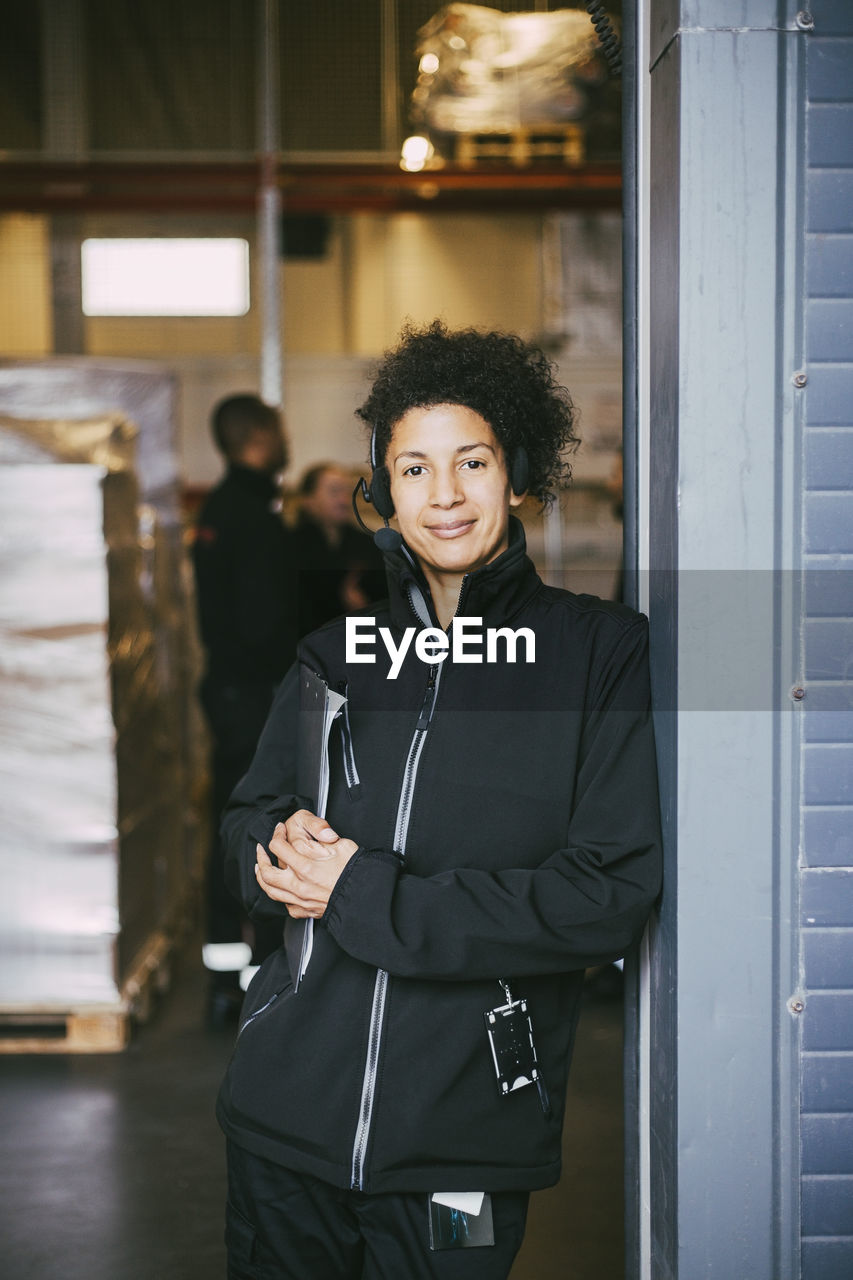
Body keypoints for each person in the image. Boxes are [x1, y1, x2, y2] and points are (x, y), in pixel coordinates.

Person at [216, 323, 662, 1278]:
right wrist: (269, 851)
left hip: (462, 1138)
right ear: (383, 491)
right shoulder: (333, 656)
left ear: (519, 475)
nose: (445, 495)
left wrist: (364, 895)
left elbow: (607, 892)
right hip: (282, 1118)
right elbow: (247, 820)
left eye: (471, 462)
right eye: (412, 470)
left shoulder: (601, 655)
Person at [192, 393, 296, 1026]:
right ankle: (247, 982)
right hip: (253, 697)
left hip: (232, 692)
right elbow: (262, 624)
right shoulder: (252, 517)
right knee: (253, 830)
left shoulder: (222, 509)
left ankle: (228, 981)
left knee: (234, 827)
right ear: (260, 435)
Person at [292, 462, 386, 637]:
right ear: (308, 500)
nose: (344, 500)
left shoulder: (367, 544)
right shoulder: (290, 545)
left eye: (347, 492)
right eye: (334, 492)